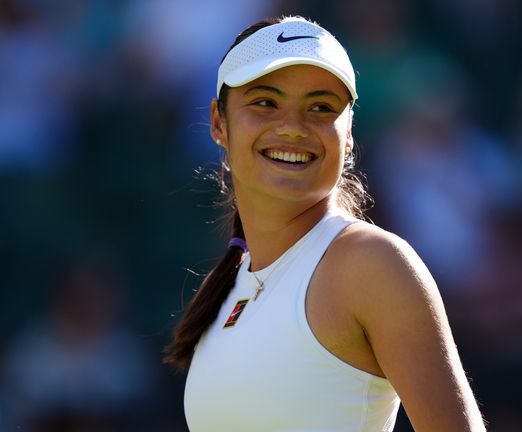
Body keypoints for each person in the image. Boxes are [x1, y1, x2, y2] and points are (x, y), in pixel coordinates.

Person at [163, 16, 486, 431]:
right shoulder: (224, 283)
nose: (293, 128)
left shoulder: (373, 264)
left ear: (348, 135)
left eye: (320, 108)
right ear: (218, 123)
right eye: (265, 102)